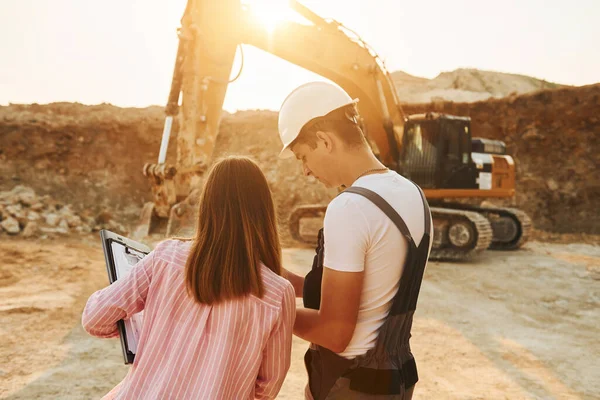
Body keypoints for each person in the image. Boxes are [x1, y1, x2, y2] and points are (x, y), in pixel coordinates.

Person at [82, 156, 296, 400]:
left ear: (207, 206)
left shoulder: (166, 257)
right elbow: (267, 387)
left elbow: (95, 319)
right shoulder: (279, 293)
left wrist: (146, 328)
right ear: (264, 211)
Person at [278, 82, 433, 400]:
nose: (306, 171)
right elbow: (372, 290)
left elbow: (334, 333)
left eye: (302, 157)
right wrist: (273, 277)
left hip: (351, 386)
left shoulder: (350, 207)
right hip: (395, 381)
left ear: (324, 140)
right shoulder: (412, 193)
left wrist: (265, 307)